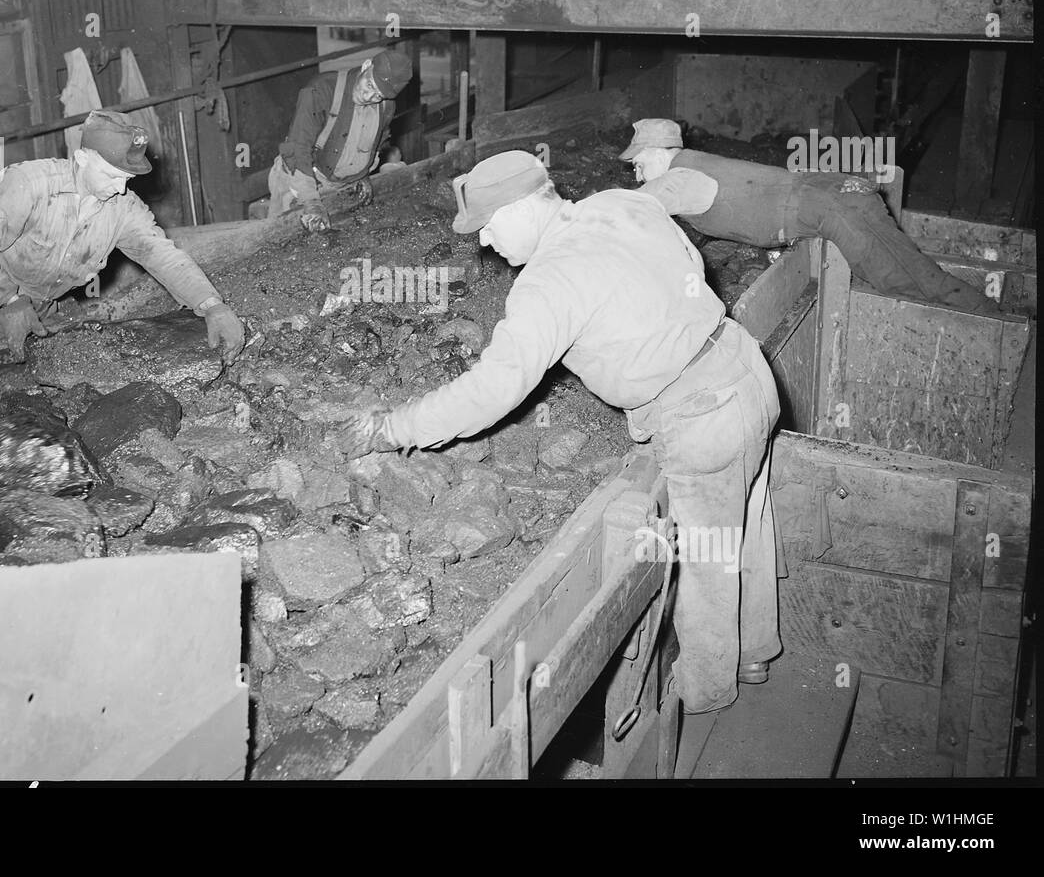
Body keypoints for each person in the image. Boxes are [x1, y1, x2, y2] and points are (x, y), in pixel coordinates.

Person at [339, 150, 782, 715]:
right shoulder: (617, 204)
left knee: (707, 557)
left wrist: (391, 428)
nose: (484, 243)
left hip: (699, 413)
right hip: (745, 369)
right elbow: (681, 210)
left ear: (524, 209)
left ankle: (704, 694)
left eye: (489, 226)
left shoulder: (548, 282)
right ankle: (755, 651)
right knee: (748, 521)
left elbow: (492, 390)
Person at [0, 109, 244, 362]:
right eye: (113, 176)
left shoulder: (123, 208)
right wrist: (10, 301)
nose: (121, 188)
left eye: (127, 179)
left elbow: (163, 255)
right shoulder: (29, 184)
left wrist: (212, 306)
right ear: (83, 158)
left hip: (43, 309)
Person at [619, 118, 999, 315]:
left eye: (637, 163)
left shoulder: (679, 177)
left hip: (832, 205)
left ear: (656, 151)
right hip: (828, 194)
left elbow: (627, 210)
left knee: (907, 280)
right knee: (906, 277)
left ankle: (999, 325)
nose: (636, 173)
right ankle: (990, 319)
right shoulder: (693, 163)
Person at [267, 49, 414, 232]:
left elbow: (378, 142)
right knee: (278, 242)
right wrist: (311, 201)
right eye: (369, 85)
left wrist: (362, 175)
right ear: (367, 65)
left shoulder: (386, 106)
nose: (369, 97)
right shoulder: (322, 89)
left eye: (378, 95)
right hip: (301, 179)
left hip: (339, 185)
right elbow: (298, 148)